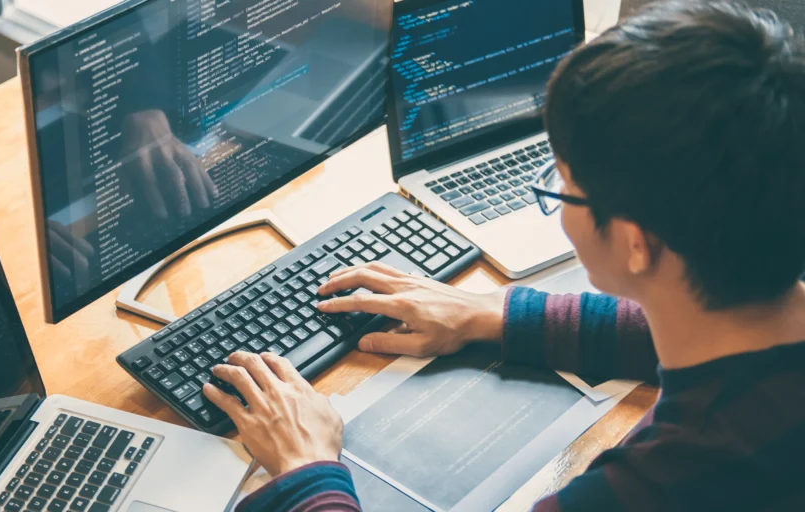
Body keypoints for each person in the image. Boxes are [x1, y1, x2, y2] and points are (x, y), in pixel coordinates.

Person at [201, 1, 805, 510]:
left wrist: (307, 470)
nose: (559, 201)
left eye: (562, 185)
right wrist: (497, 314)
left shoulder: (666, 482)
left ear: (634, 242)